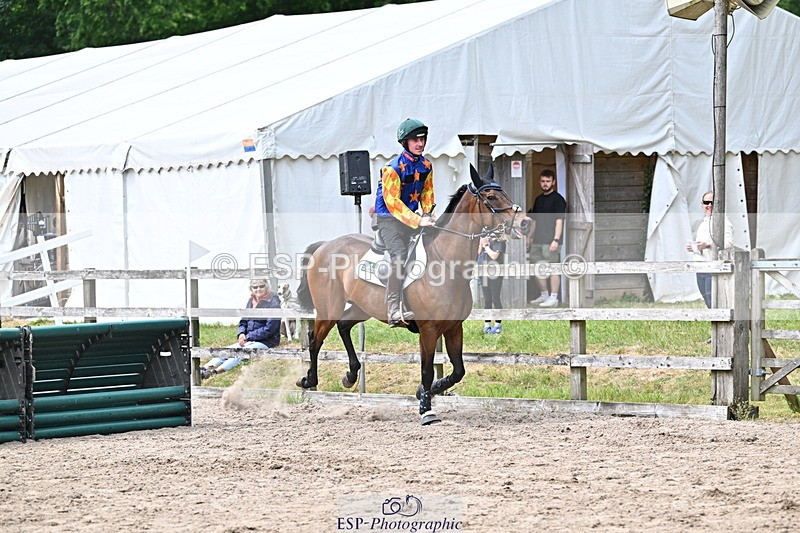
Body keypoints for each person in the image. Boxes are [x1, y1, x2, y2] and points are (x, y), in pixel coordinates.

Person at [374, 118, 436, 327]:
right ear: (405, 142)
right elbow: (392, 203)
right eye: (415, 140)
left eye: (423, 139)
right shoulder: (391, 169)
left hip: (412, 218)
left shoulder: (427, 165)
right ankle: (393, 309)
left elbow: (427, 191)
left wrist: (427, 213)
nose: (420, 143)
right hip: (389, 219)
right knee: (400, 256)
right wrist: (419, 219)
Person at [200, 279, 281, 379]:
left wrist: (248, 337)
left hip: (267, 341)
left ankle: (214, 372)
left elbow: (270, 328)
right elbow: (244, 320)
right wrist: (241, 333)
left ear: (267, 287)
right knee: (227, 350)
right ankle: (204, 368)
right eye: (255, 287)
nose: (258, 289)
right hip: (249, 338)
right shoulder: (251, 301)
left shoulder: (273, 302)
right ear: (251, 289)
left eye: (261, 286)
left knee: (241, 353)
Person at [686, 191, 733, 309]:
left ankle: (725, 326)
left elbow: (728, 243)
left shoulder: (724, 222)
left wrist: (707, 245)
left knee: (714, 303)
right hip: (701, 267)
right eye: (706, 203)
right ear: (702, 204)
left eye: (713, 203)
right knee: (708, 302)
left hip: (713, 268)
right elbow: (703, 247)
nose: (709, 205)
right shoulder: (703, 224)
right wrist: (695, 248)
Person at [527, 169, 566, 307]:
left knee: (553, 268)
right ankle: (544, 295)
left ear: (553, 182)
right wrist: (529, 237)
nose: (545, 184)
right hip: (537, 240)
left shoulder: (559, 200)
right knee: (537, 267)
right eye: (543, 181)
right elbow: (534, 221)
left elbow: (559, 221)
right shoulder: (538, 200)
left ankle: (554, 298)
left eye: (548, 181)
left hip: (551, 241)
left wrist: (556, 240)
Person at [477, 233, 507, 334]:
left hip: (495, 273)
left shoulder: (499, 242)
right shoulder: (486, 240)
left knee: (495, 298)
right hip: (483, 272)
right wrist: (481, 244)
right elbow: (478, 253)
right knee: (487, 300)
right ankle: (487, 325)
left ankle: (498, 325)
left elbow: (494, 256)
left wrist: (486, 246)